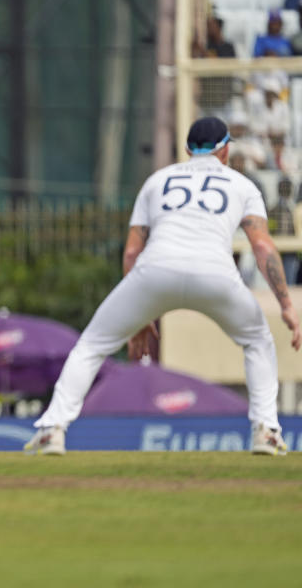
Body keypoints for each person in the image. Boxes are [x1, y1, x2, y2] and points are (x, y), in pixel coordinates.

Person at [25, 117, 301, 457]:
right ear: (226, 149)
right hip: (215, 274)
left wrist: (139, 316)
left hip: (155, 271)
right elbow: (262, 247)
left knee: (91, 346)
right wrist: (286, 304)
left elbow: (131, 251)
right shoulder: (242, 185)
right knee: (258, 341)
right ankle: (267, 432)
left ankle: (52, 430)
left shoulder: (157, 181)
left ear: (187, 150)